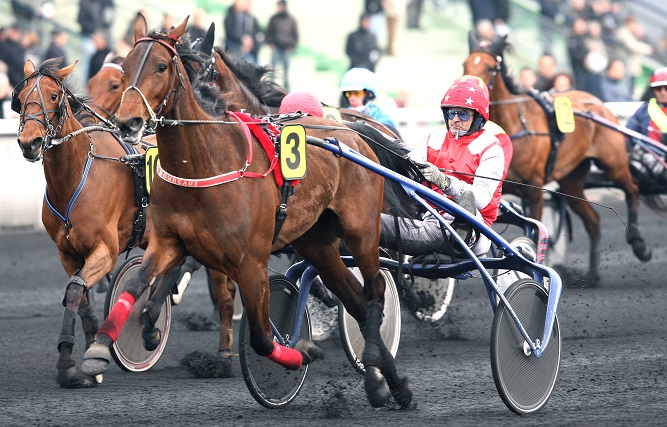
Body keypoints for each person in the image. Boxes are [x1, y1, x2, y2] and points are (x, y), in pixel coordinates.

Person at [380, 75, 505, 257]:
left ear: (478, 117)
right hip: (429, 217)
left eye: (462, 114)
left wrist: (444, 182)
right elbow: (408, 169)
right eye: (451, 113)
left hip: (476, 228)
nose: (455, 119)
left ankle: (462, 234)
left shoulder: (490, 147)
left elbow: (482, 199)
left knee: (467, 199)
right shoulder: (435, 138)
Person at [339, 67, 398, 133]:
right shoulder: (342, 115)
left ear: (369, 94)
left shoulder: (380, 116)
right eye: (348, 94)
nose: (352, 98)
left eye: (357, 93)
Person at [77, 0, 115, 91]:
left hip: (102, 36)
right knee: (88, 59)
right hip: (89, 35)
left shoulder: (108, 2)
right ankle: (86, 87)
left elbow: (109, 20)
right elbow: (81, 19)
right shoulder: (86, 2)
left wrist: (101, 34)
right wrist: (94, 32)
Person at [627, 68, 667, 145]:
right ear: (653, 90)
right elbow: (628, 136)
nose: (663, 92)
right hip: (646, 154)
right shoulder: (643, 110)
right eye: (658, 89)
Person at [265, 0, 298, 90]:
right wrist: (271, 43)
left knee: (286, 70)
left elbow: (295, 35)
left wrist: (291, 46)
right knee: (273, 70)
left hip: (286, 49)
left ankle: (286, 88)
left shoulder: (291, 20)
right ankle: (271, 87)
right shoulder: (273, 19)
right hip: (276, 48)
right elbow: (268, 33)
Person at [223, 0, 263, 64]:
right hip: (234, 51)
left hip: (250, 52)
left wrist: (251, 44)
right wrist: (242, 39)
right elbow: (230, 33)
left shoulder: (251, 18)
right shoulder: (229, 17)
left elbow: (258, 33)